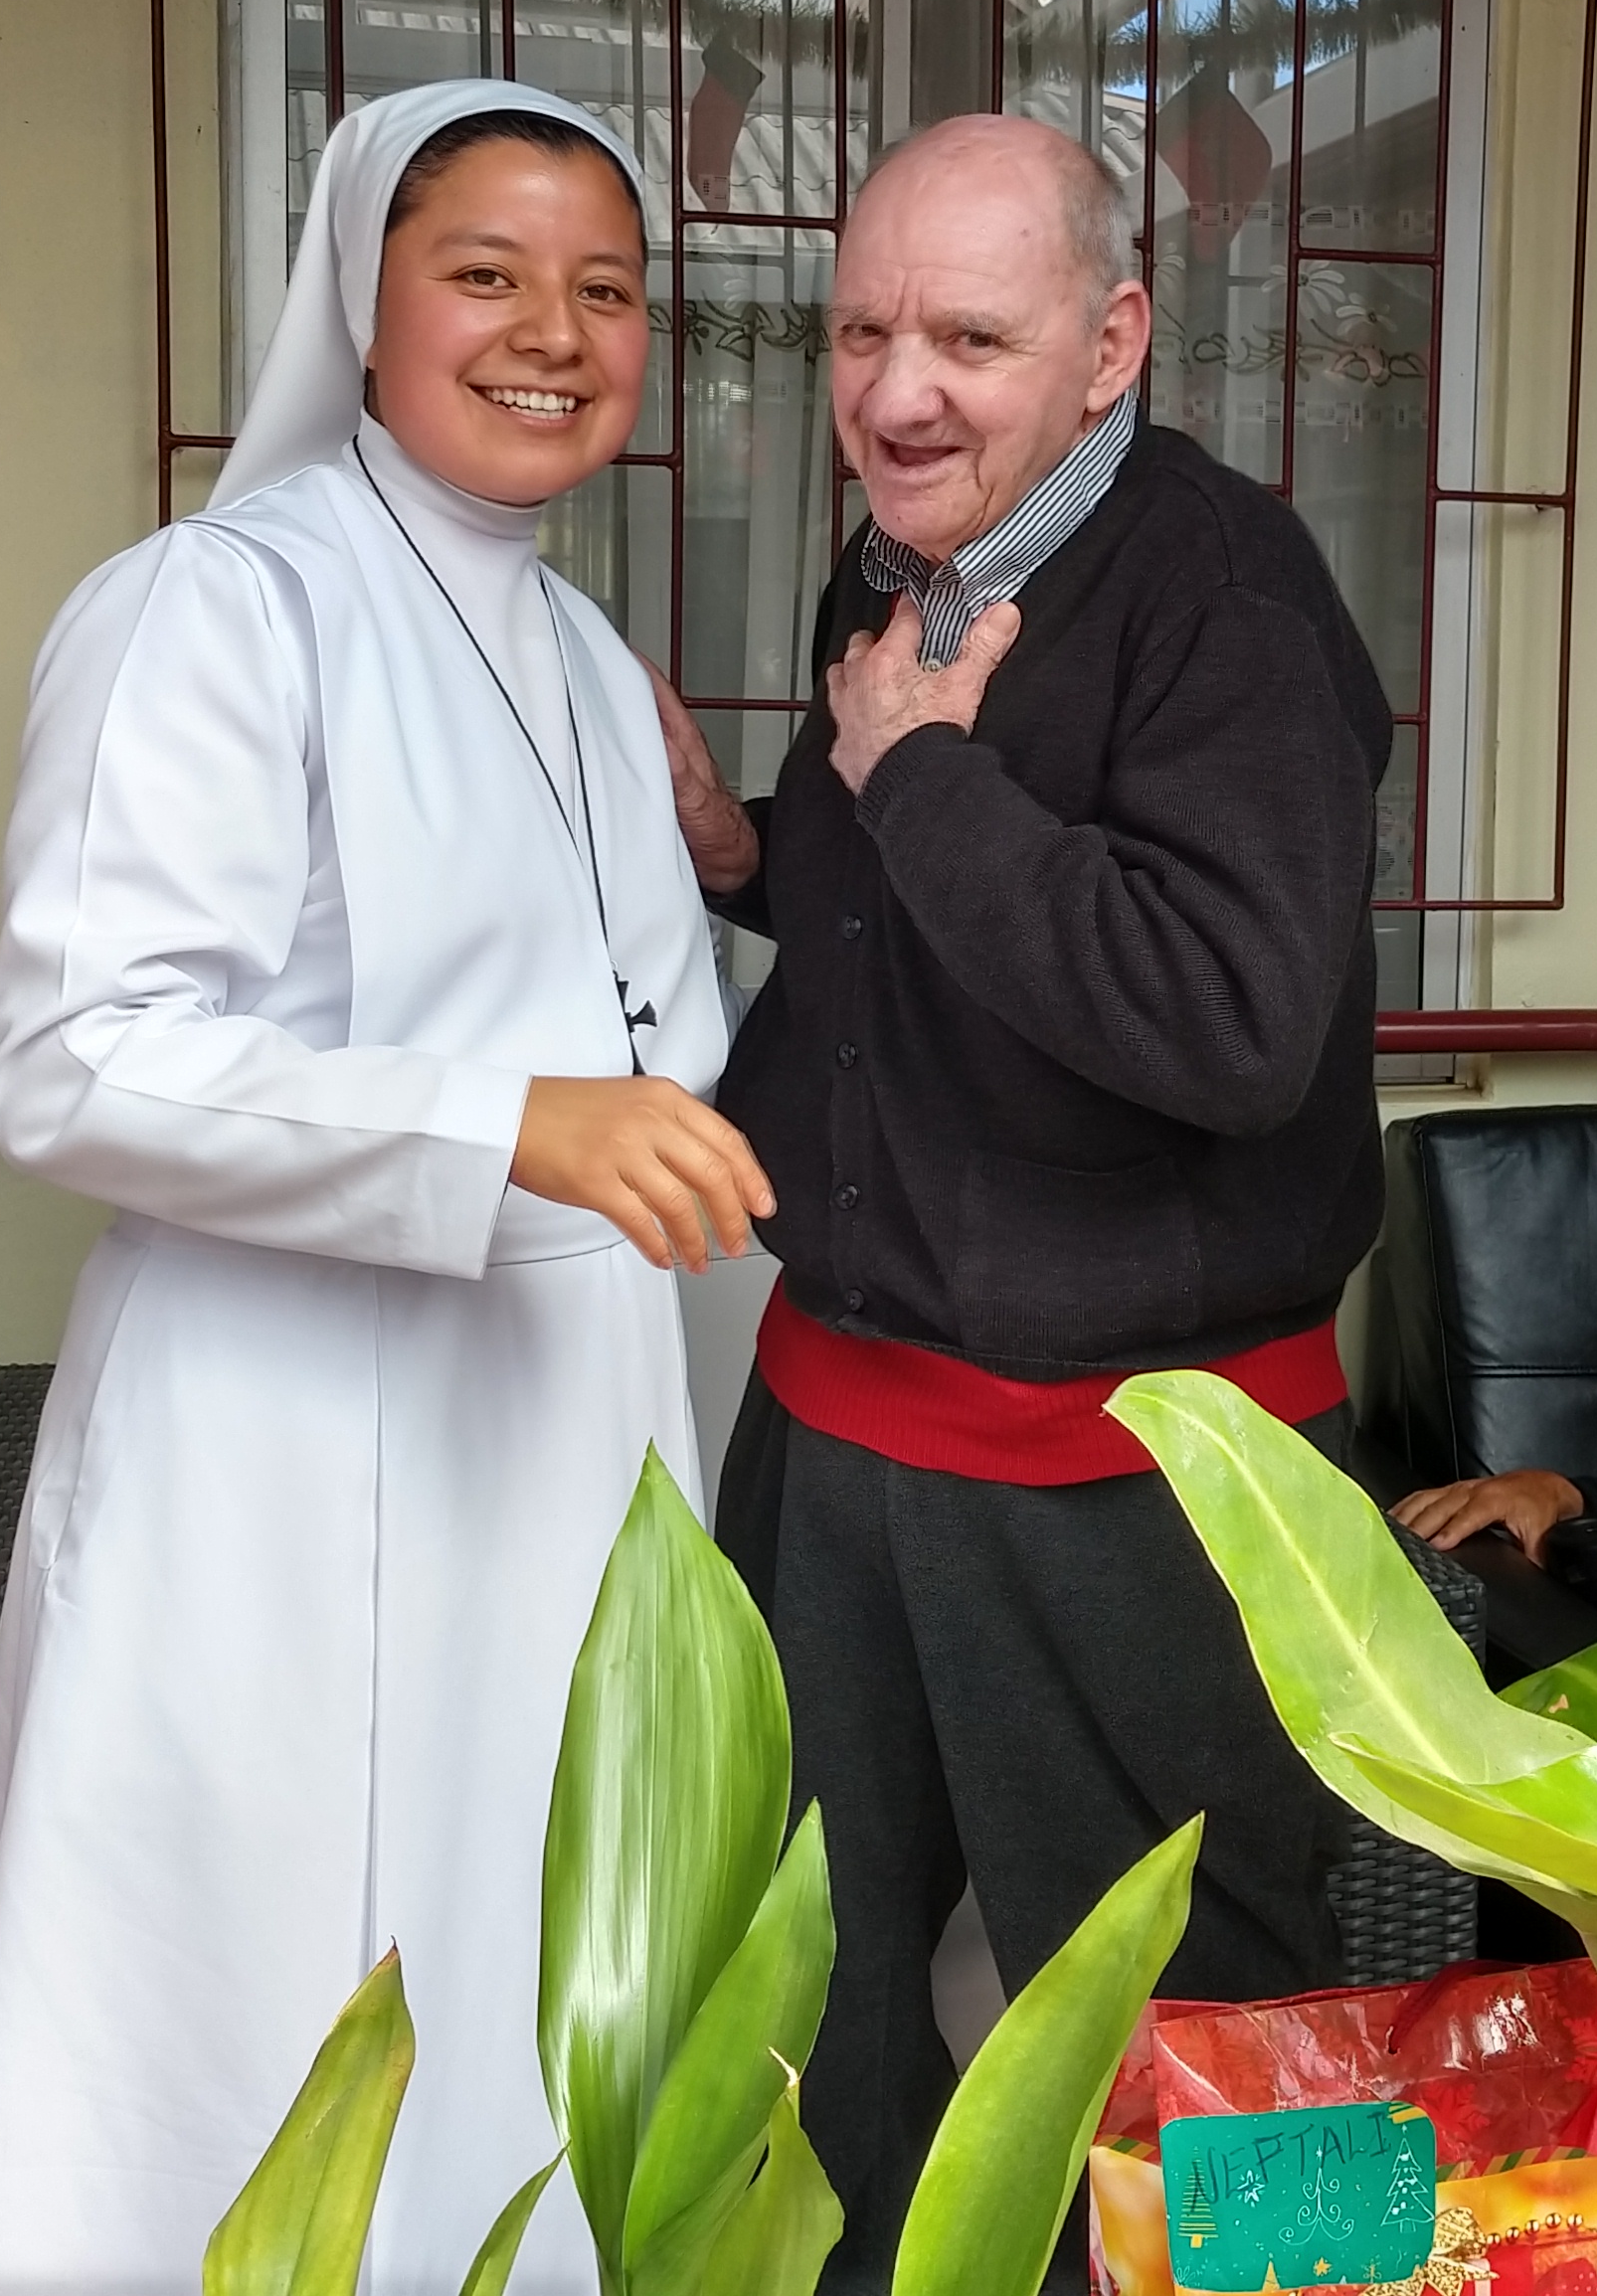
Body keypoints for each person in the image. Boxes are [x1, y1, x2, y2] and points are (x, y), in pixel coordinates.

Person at [0, 82, 777, 2295]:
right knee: (268, 2013)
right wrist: (511, 1123)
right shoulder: (212, 606)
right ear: (361, 303)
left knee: (528, 1980)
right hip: (280, 1461)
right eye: (482, 273)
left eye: (605, 290)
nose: (551, 332)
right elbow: (81, 1056)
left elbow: (647, 1031)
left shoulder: (587, 662)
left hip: (566, 1432)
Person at [647, 111, 1393, 2290]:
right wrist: (758, 858)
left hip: (1136, 1474)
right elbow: (925, 945)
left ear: (1111, 340)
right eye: (865, 329)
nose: (897, 391)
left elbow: (1233, 1019)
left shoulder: (1228, 595)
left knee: (1217, 2034)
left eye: (971, 334)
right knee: (802, 2015)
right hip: (836, 1430)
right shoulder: (904, 567)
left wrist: (919, 775)